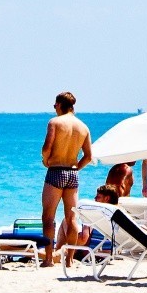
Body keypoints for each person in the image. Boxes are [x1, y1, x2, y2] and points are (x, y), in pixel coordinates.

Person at [39, 91, 92, 264]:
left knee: (48, 217)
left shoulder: (54, 122)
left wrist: (46, 160)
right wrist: (77, 167)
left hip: (55, 171)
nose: (54, 108)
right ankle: (69, 259)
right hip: (72, 174)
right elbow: (88, 156)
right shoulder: (83, 127)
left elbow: (47, 147)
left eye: (55, 105)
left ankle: (48, 259)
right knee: (71, 219)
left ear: (60, 105)